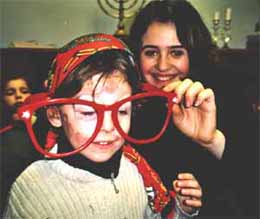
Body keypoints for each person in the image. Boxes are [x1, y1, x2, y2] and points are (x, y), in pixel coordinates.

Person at [3, 33, 203, 218]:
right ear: (55, 115)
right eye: (89, 112)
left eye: (122, 111)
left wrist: (180, 211)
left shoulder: (136, 171)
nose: (108, 127)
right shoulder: (32, 191)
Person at [128, 0, 243, 216]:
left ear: (194, 54)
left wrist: (212, 141)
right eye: (151, 53)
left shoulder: (224, 99)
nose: (162, 66)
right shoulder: (125, 108)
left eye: (176, 53)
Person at [0, 73, 42, 213]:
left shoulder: (46, 127)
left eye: (24, 91)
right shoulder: (4, 133)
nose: (18, 96)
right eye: (10, 93)